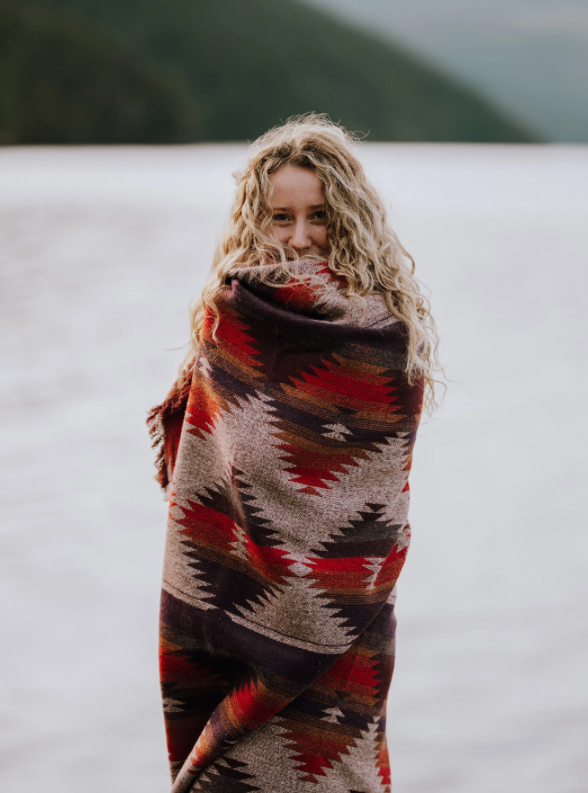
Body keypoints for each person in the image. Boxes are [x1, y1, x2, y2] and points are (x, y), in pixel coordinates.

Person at [148, 114, 439, 793]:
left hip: (346, 617)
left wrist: (314, 592)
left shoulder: (384, 338)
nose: (301, 238)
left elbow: (377, 491)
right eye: (281, 218)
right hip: (233, 607)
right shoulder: (230, 320)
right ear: (255, 219)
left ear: (350, 218)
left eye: (320, 217)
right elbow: (197, 472)